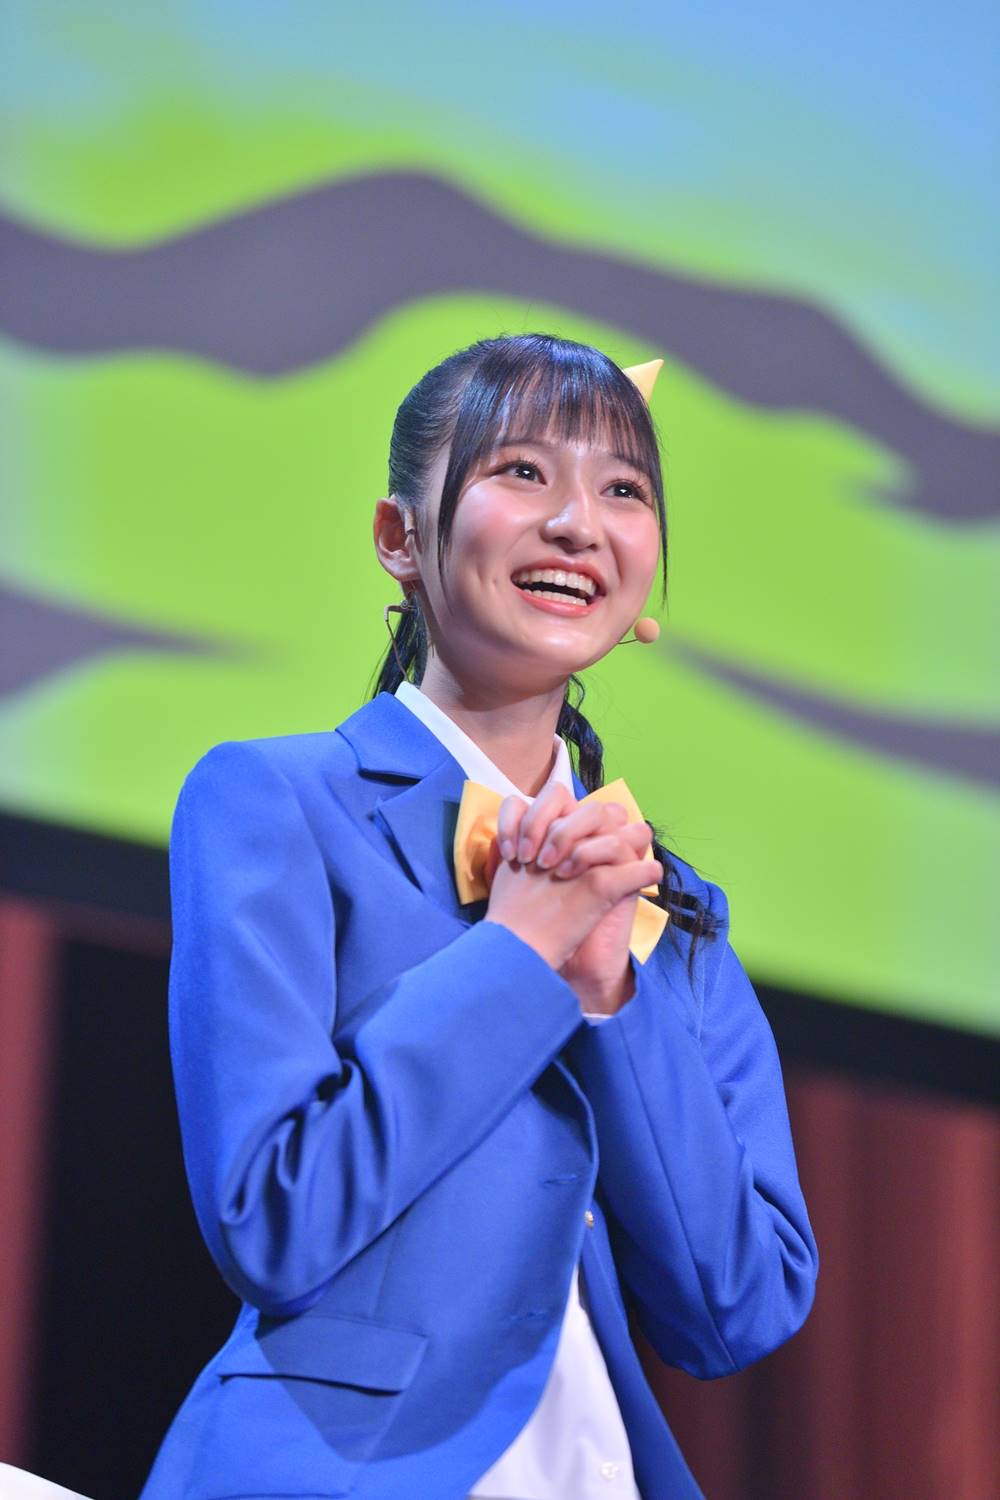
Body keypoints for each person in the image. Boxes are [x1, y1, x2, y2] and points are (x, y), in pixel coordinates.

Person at [140, 333, 818, 1500]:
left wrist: (610, 998)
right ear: (400, 537)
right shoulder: (274, 801)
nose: (577, 523)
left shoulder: (669, 909)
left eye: (623, 490)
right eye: (522, 472)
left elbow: (735, 1308)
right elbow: (272, 1220)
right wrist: (515, 950)